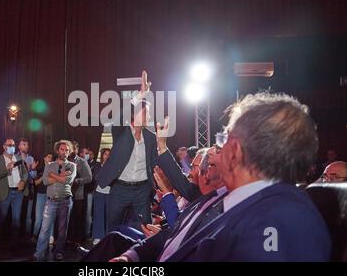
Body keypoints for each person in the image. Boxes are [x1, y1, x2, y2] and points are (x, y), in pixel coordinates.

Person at [85, 91, 332, 262]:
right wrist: (132, 256)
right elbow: (174, 236)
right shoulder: (221, 197)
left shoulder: (284, 222)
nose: (214, 153)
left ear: (235, 150)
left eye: (222, 140)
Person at [96, 71, 158, 231]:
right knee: (113, 228)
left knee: (145, 229)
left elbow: (154, 164)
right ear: (135, 114)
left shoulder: (151, 137)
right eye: (146, 112)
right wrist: (139, 96)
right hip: (120, 189)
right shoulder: (121, 132)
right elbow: (118, 117)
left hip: (142, 190)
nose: (149, 116)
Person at [34, 140, 76, 261]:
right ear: (57, 150)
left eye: (67, 150)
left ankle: (59, 251)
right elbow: (46, 181)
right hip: (51, 201)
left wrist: (53, 175)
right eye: (62, 149)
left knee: (62, 230)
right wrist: (62, 175)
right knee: (45, 229)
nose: (64, 152)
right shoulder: (49, 165)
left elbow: (67, 181)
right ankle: (38, 254)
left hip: (66, 201)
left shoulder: (72, 166)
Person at [0, 138, 28, 251]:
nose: (12, 146)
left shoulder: (18, 158)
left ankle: (14, 244)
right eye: (9, 145)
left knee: (16, 219)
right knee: (1, 219)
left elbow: (25, 173)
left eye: (13, 144)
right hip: (5, 192)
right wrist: (6, 169)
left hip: (18, 192)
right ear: (4, 146)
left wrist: (23, 181)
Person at [68, 141, 92, 245]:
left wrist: (77, 181)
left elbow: (89, 178)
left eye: (74, 148)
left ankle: (77, 240)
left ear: (77, 150)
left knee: (77, 218)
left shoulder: (82, 162)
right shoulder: (65, 161)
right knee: (67, 218)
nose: (72, 150)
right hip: (65, 195)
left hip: (78, 195)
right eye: (71, 148)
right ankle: (67, 239)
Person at [16, 138, 39, 241]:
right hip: (17, 188)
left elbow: (33, 176)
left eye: (27, 145)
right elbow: (16, 174)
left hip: (29, 188)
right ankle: (16, 236)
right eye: (24, 144)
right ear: (19, 146)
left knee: (28, 214)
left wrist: (33, 169)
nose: (26, 146)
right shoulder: (14, 158)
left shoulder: (31, 158)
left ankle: (27, 236)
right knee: (17, 213)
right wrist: (29, 170)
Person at [32, 153, 54, 242]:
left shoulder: (54, 170)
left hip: (50, 195)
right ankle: (34, 235)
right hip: (40, 194)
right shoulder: (40, 169)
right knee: (39, 218)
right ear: (44, 158)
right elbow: (36, 183)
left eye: (51, 158)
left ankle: (51, 236)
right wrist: (44, 176)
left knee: (50, 217)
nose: (50, 159)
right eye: (48, 157)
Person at [91, 148, 111, 244]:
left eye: (108, 154)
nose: (107, 156)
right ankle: (98, 236)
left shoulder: (114, 166)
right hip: (99, 192)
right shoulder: (98, 165)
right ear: (102, 155)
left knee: (109, 215)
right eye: (105, 154)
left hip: (110, 193)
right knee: (98, 214)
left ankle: (108, 236)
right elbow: (96, 177)